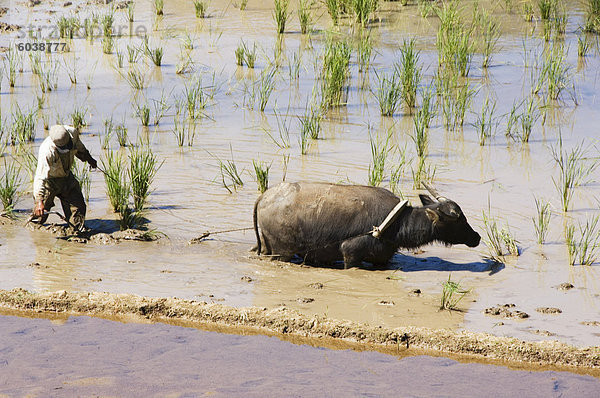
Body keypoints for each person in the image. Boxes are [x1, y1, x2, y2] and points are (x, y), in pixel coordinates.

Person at [33, 125, 98, 231]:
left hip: (66, 177)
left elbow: (79, 147)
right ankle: (34, 234)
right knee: (39, 215)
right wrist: (39, 201)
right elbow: (40, 177)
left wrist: (89, 158)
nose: (67, 148)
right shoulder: (47, 151)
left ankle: (76, 231)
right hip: (49, 181)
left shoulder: (72, 133)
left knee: (78, 208)